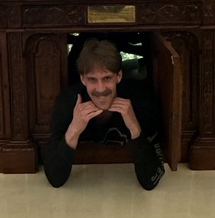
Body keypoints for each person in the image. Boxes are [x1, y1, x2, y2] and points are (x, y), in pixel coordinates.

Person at [43, 38, 165, 190]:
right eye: (92, 79)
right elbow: (55, 179)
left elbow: (151, 180)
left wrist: (135, 128)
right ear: (82, 79)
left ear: (119, 76)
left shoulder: (141, 102)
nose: (101, 89)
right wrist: (74, 129)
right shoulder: (68, 103)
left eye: (107, 78)